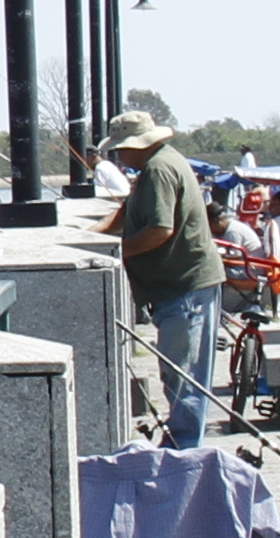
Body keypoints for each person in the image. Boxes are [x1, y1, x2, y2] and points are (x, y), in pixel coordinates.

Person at [81, 111, 212, 422]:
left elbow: (159, 231)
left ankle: (186, 452)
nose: (119, 155)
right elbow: (127, 212)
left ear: (136, 146)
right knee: (178, 373)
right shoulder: (157, 166)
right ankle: (182, 444)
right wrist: (90, 236)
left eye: (120, 148)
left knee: (183, 379)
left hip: (184, 288)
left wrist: (116, 252)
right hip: (177, 287)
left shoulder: (158, 170)